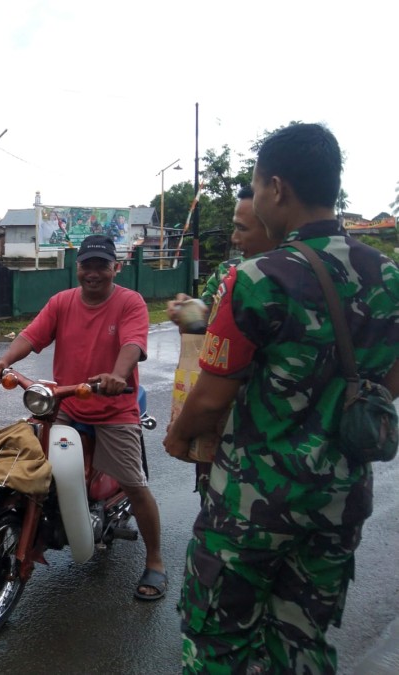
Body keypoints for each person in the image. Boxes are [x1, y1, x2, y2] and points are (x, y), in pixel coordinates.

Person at [164, 123, 399, 674]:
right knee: (302, 636)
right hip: (340, 498)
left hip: (254, 504)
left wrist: (178, 438)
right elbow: (390, 382)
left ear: (277, 188)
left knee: (218, 636)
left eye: (256, 187)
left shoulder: (259, 278)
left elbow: (210, 399)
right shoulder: (387, 274)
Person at [0, 234, 167, 601]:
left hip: (114, 409)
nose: (94, 273)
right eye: (87, 265)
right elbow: (32, 335)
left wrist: (118, 375)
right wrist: (5, 361)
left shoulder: (130, 302)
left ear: (116, 267)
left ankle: (156, 561)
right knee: (34, 471)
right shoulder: (62, 302)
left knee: (134, 482)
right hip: (67, 405)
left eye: (102, 265)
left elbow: (133, 343)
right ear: (77, 267)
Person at [166, 186, 281, 501]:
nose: (233, 237)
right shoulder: (227, 274)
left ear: (274, 225)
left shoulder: (286, 278)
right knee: (213, 499)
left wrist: (179, 434)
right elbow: (203, 325)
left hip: (263, 437)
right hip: (219, 431)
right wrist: (184, 312)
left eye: (242, 228)